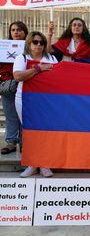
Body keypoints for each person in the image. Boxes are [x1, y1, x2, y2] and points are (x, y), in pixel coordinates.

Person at [13, 32, 57, 177]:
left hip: (46, 101)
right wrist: (38, 69)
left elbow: (59, 77)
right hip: (25, 99)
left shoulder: (51, 58)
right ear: (29, 43)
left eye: (41, 42)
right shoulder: (23, 57)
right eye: (35, 42)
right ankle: (32, 164)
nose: (38, 45)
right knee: (30, 132)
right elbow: (18, 76)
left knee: (45, 132)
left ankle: (44, 164)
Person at [0, 22, 28, 155]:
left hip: (26, 84)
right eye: (13, 30)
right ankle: (11, 142)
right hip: (8, 85)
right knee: (10, 115)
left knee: (25, 114)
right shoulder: (3, 47)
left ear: (25, 32)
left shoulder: (31, 47)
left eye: (19, 30)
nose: (16, 32)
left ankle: (25, 142)